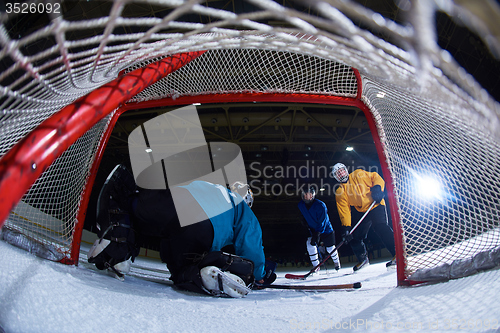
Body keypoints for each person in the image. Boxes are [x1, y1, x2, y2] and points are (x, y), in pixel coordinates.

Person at [88, 164, 276, 298]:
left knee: (131, 203)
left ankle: (118, 246)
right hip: (202, 227)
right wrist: (257, 275)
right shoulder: (243, 209)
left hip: (174, 199)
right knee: (184, 272)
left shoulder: (215, 188)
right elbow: (250, 245)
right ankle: (197, 276)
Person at [331, 163, 396, 272]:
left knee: (380, 227)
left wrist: (377, 188)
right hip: (362, 210)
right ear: (336, 177)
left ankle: (397, 253)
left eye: (342, 170)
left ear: (346, 170)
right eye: (338, 173)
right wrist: (346, 227)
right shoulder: (340, 191)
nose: (341, 173)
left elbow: (375, 177)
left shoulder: (358, 174)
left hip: (375, 204)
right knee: (354, 236)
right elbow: (345, 211)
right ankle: (363, 259)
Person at [298, 186, 341, 273]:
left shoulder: (320, 205)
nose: (307, 197)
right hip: (314, 229)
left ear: (313, 195)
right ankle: (316, 266)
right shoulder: (301, 205)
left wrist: (318, 233)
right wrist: (304, 220)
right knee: (310, 244)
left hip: (326, 230)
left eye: (309, 194)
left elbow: (323, 221)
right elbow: (304, 214)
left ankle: (336, 261)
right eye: (305, 195)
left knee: (330, 248)